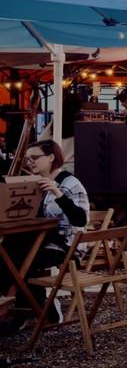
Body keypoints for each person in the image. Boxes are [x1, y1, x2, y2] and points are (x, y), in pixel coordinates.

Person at [1, 140, 88, 330]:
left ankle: (39, 311)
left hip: (66, 245)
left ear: (51, 158)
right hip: (42, 239)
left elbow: (80, 219)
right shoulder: (35, 183)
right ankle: (28, 309)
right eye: (28, 158)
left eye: (34, 157)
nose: (30, 162)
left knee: (17, 261)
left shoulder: (70, 183)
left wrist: (57, 192)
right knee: (7, 252)